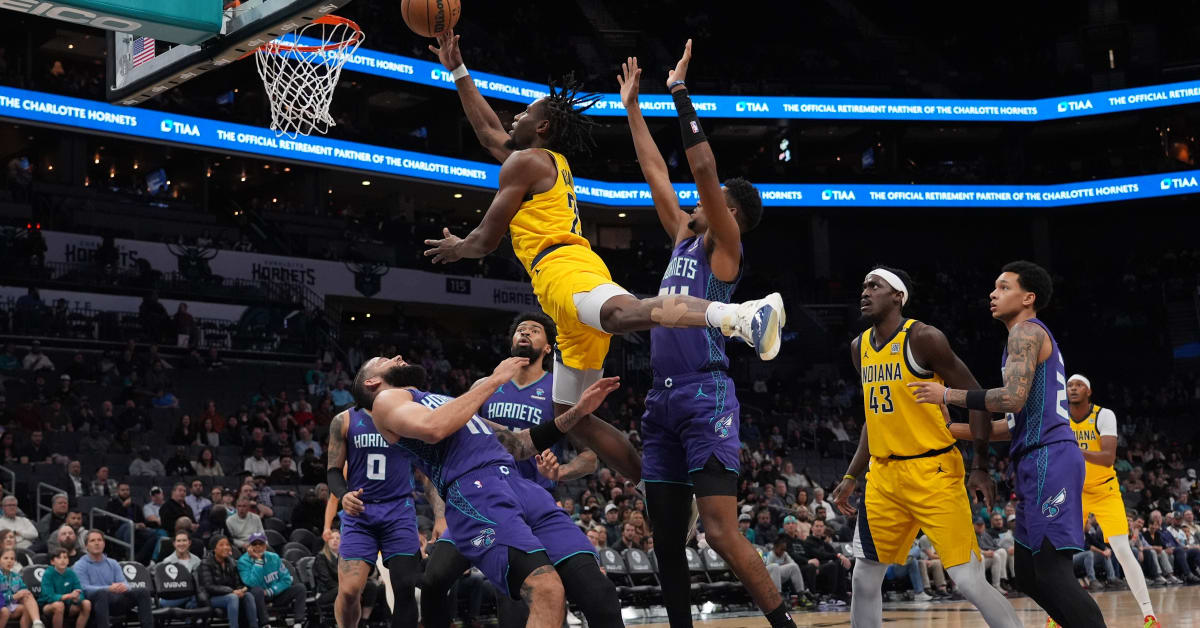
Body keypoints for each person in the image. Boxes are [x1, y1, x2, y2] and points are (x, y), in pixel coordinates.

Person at [425, 30, 784, 485]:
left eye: (524, 113)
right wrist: (458, 70)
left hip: (566, 269)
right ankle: (649, 484)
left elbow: (484, 240)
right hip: (565, 285)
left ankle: (739, 316)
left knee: (618, 315)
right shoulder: (538, 163)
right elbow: (489, 133)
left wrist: (459, 247)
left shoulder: (531, 163)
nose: (513, 117)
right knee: (570, 413)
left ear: (542, 128)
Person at [615, 51, 794, 628]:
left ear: (727, 212)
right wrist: (632, 109)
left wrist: (678, 92)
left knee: (719, 530)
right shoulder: (680, 240)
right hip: (661, 399)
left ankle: (784, 624)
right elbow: (654, 172)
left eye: (705, 202)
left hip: (704, 395)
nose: (691, 203)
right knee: (667, 536)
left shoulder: (724, 249)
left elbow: (702, 170)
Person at [353, 354, 622, 628]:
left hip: (519, 484)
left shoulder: (442, 402)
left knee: (600, 593)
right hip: (476, 489)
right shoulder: (386, 400)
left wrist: (577, 412)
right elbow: (433, 428)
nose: (398, 357)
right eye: (384, 359)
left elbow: (518, 445)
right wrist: (495, 380)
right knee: (545, 588)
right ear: (372, 381)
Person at [910, 260, 1107, 627]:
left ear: (1028, 297)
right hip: (1034, 458)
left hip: (1050, 458)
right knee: (1030, 576)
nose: (993, 293)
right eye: (994, 287)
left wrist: (948, 394)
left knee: (1052, 572)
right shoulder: (1020, 341)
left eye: (1004, 287)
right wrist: (949, 430)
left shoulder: (1025, 333)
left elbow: (1012, 399)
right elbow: (1013, 424)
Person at [830, 266, 1020, 626]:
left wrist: (980, 466)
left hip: (934, 472)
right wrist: (852, 475)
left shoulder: (923, 338)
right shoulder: (859, 348)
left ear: (897, 296)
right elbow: (874, 417)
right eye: (863, 286)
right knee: (864, 576)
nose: (865, 292)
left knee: (968, 580)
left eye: (875, 286)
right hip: (884, 478)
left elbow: (978, 398)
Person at [1064, 374, 1157, 622]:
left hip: (1105, 490)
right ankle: (1057, 614)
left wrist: (1074, 450)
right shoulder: (1060, 416)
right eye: (1070, 385)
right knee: (1061, 553)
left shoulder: (1104, 415)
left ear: (1089, 391)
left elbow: (1107, 458)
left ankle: (1149, 615)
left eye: (1079, 385)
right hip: (1074, 490)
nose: (1073, 388)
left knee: (1123, 550)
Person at [324, 405, 425, 628]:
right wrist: (339, 502)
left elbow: (426, 471)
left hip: (399, 511)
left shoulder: (408, 416)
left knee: (405, 587)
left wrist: (440, 516)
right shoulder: (346, 422)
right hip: (360, 512)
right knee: (349, 591)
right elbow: (333, 479)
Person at [73, 530, 154, 628]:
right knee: (101, 594)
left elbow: (124, 583)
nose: (97, 543)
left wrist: (123, 587)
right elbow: (84, 588)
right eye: (92, 540)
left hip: (115, 599)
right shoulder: (80, 565)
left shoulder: (113, 563)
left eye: (99, 540)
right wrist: (108, 588)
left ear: (104, 544)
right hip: (94, 601)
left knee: (142, 591)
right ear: (86, 546)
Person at [237, 532, 306, 628]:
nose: (258, 547)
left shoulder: (274, 557)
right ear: (249, 547)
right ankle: (265, 624)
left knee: (300, 588)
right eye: (254, 544)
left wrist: (271, 591)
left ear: (265, 546)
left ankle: (298, 623)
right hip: (259, 598)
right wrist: (258, 561)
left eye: (261, 544)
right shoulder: (243, 562)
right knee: (256, 590)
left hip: (275, 594)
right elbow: (252, 583)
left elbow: (286, 580)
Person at [312, 531, 378, 621]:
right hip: (327, 592)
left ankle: (364, 621)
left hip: (343, 589)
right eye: (332, 538)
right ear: (327, 542)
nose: (335, 540)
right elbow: (327, 581)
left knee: (370, 586)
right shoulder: (321, 558)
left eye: (338, 538)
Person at [197, 536, 258, 628]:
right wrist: (232, 591)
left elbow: (237, 583)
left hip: (230, 595)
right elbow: (209, 586)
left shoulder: (231, 562)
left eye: (227, 545)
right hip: (211, 598)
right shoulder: (205, 563)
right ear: (214, 548)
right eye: (221, 545)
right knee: (232, 597)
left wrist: (241, 590)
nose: (226, 547)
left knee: (248, 596)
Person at [38, 548, 89, 628]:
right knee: (59, 605)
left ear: (68, 561)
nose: (62, 560)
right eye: (59, 558)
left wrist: (78, 598)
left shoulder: (71, 573)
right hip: (48, 605)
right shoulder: (48, 574)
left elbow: (79, 590)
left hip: (68, 604)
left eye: (65, 557)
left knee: (86, 603)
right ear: (52, 562)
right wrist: (68, 596)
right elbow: (49, 596)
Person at [0, 547, 42, 628]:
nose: (9, 561)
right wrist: (14, 596)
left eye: (12, 559)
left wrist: (24, 593)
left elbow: (23, 589)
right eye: (6, 558)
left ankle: (37, 623)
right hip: (1, 605)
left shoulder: (16, 576)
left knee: (27, 597)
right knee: (5, 611)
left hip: (11, 605)